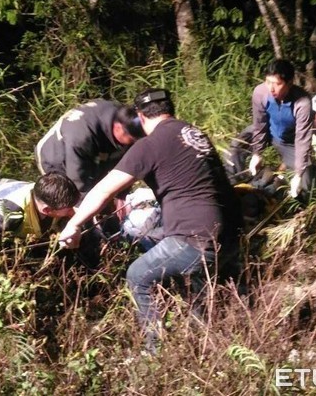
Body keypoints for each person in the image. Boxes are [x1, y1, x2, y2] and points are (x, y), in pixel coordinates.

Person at [58, 88, 243, 353]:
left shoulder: (150, 144)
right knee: (192, 289)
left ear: (141, 118)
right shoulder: (195, 134)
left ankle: (154, 352)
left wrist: (73, 225)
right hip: (228, 237)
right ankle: (200, 348)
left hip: (193, 238)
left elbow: (103, 189)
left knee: (138, 275)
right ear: (171, 110)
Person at [35, 99, 145, 197]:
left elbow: (126, 164)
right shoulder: (81, 137)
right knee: (68, 197)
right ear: (118, 128)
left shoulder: (125, 116)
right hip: (55, 158)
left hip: (94, 153)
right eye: (131, 140)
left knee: (102, 195)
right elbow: (78, 183)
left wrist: (121, 195)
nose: (133, 143)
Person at [249, 59, 313, 199]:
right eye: (268, 82)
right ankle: (230, 178)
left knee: (306, 183)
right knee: (238, 143)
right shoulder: (260, 93)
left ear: (289, 83)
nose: (271, 88)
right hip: (268, 132)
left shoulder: (302, 102)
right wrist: (257, 153)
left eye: (277, 84)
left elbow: (302, 139)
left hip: (289, 142)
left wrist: (298, 174)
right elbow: (259, 124)